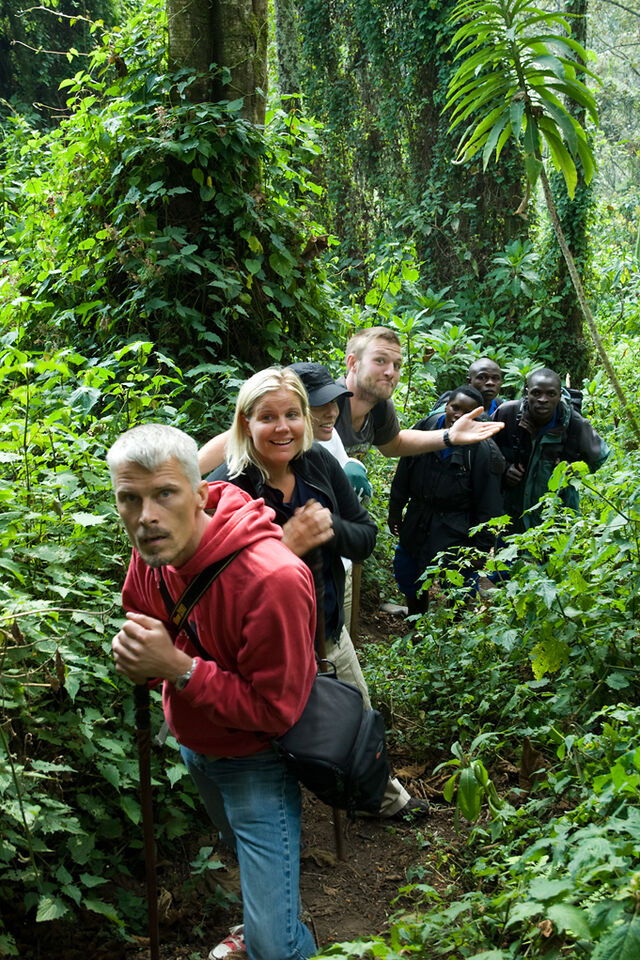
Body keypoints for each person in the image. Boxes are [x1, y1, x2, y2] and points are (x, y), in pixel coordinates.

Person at [108, 424, 317, 960]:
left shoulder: (273, 579)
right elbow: (147, 629)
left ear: (201, 493)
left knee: (274, 947)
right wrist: (144, 661)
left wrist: (178, 669)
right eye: (129, 499)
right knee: (246, 855)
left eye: (165, 493)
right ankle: (274, 916)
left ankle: (276, 935)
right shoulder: (153, 552)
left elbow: (276, 711)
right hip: (195, 744)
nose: (146, 517)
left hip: (258, 760)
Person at [209, 366, 429, 820]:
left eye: (292, 414)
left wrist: (328, 530)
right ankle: (267, 819)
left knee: (357, 721)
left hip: (326, 631)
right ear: (246, 423)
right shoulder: (229, 487)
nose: (283, 427)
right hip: (262, 650)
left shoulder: (318, 465)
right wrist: (284, 547)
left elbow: (365, 537)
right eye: (268, 417)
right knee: (265, 740)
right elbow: (219, 588)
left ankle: (379, 800)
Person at [388, 386, 505, 615]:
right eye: (455, 408)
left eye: (468, 412)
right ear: (447, 406)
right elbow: (403, 474)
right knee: (410, 574)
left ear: (477, 415)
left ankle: (453, 628)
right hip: (418, 519)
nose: (459, 416)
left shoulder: (482, 450)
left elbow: (489, 504)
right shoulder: (426, 428)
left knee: (458, 588)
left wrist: (481, 549)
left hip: (458, 527)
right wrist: (395, 510)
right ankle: (416, 623)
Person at [333, 327, 504, 461]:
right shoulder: (326, 405)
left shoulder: (380, 407)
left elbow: (394, 445)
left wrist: (449, 436)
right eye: (380, 360)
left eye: (397, 365)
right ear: (353, 363)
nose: (390, 372)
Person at [491, 367, 610, 532]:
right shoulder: (507, 414)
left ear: (560, 395)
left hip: (557, 520)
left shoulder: (575, 424)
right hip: (510, 516)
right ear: (526, 393)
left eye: (551, 394)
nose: (543, 399)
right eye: (536, 393)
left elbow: (601, 456)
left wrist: (574, 470)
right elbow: (485, 451)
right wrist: (505, 468)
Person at [431, 357, 505, 418]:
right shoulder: (451, 409)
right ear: (469, 381)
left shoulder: (503, 407)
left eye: (496, 378)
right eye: (482, 377)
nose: (490, 383)